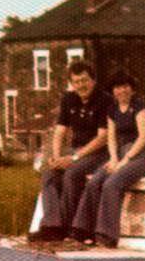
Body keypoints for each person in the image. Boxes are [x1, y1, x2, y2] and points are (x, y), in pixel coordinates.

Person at [30, 60, 111, 242]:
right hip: (76, 150)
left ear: (93, 80)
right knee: (49, 173)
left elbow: (102, 137)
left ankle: (70, 226)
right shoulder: (68, 99)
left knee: (72, 173)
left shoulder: (105, 100)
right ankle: (52, 225)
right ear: (72, 83)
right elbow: (60, 131)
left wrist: (73, 158)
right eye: (76, 82)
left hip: (99, 152)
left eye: (84, 80)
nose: (81, 85)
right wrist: (57, 157)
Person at [72, 72, 145, 247]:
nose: (122, 91)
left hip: (140, 156)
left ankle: (107, 235)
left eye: (125, 86)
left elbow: (143, 137)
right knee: (94, 182)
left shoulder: (140, 106)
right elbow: (111, 138)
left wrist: (125, 161)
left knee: (112, 183)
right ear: (113, 91)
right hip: (119, 154)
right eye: (117, 87)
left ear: (131, 88)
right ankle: (84, 229)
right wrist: (114, 159)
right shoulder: (113, 109)